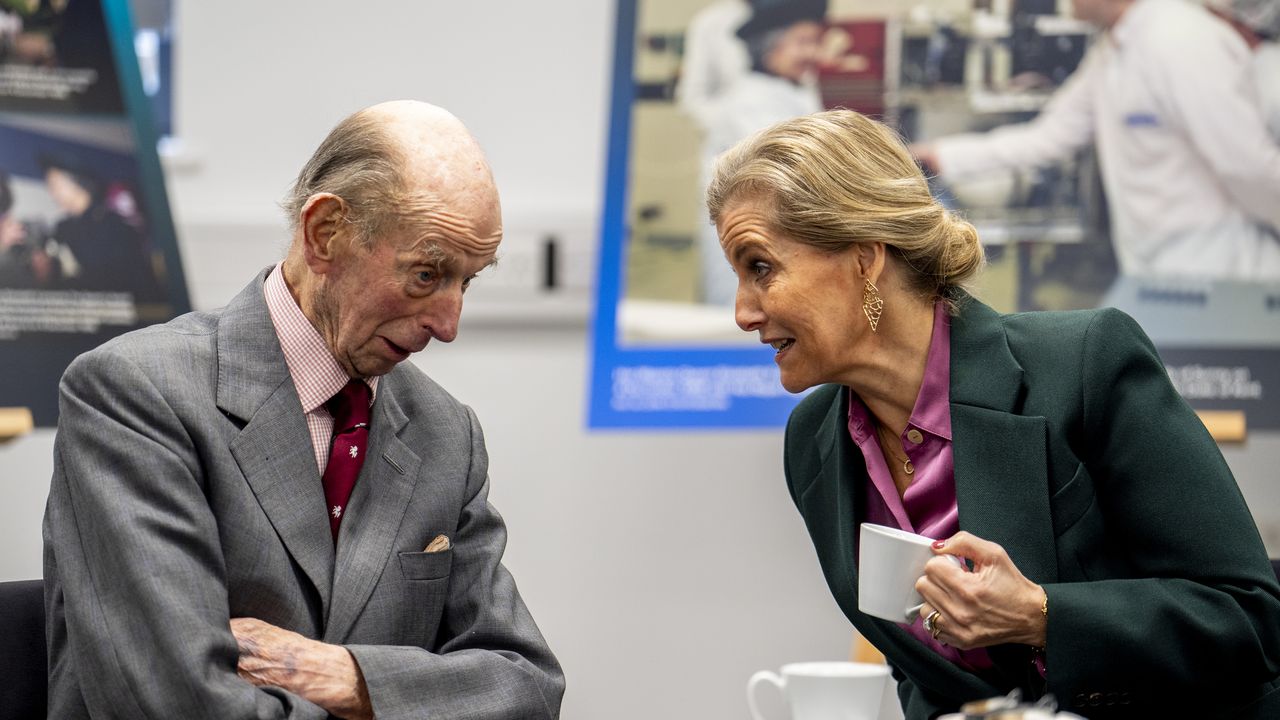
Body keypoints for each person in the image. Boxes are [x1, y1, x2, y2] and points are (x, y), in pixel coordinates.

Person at [708, 109, 1280, 718]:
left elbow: (1249, 619)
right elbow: (924, 675)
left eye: (760, 268)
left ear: (864, 258)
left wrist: (1039, 615)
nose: (743, 312)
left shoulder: (1085, 364)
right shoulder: (815, 441)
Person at [43, 101, 565, 719]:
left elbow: (526, 687)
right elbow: (178, 704)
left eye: (467, 281)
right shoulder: (136, 395)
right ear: (325, 234)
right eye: (427, 274)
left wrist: (350, 678)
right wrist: (416, 697)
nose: (448, 325)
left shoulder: (446, 433)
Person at [911, 0, 1280, 281]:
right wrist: (937, 155)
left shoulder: (1180, 38)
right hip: (1157, 273)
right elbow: (1048, 137)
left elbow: (1249, 167)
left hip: (1224, 273)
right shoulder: (1114, 48)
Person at [696, 0, 826, 305]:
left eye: (816, 42)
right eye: (802, 42)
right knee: (743, 315)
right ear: (770, 48)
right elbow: (794, 166)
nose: (812, 53)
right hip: (752, 231)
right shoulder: (749, 100)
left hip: (782, 235)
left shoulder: (793, 90)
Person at [40, 152, 159, 298]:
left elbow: (122, 281)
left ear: (77, 183)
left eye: (54, 186)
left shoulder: (112, 225)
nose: (52, 194)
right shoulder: (62, 228)